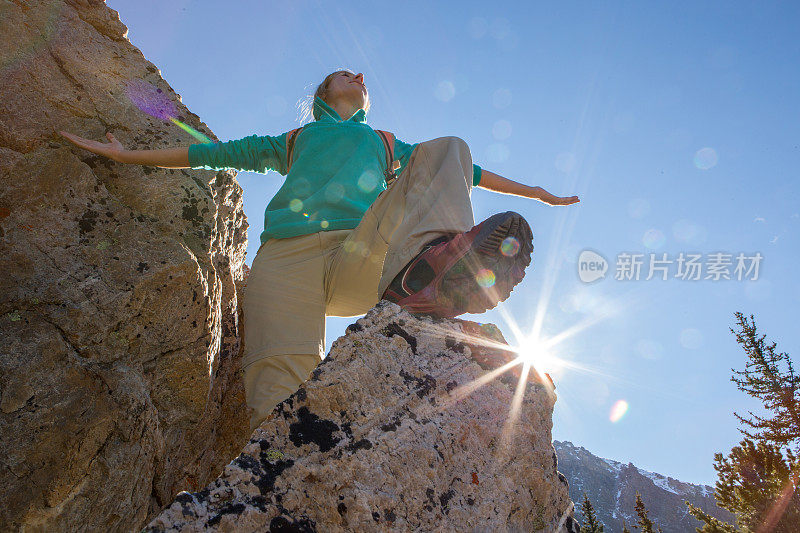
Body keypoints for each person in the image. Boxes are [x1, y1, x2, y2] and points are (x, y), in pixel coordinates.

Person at [60, 69, 580, 432]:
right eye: (343, 73)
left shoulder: (382, 141)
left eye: (361, 77)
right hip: (287, 261)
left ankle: (434, 270)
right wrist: (128, 156)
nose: (357, 74)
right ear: (323, 92)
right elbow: (210, 152)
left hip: (362, 252)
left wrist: (535, 193)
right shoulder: (295, 139)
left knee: (449, 149)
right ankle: (286, 482)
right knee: (276, 394)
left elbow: (465, 172)